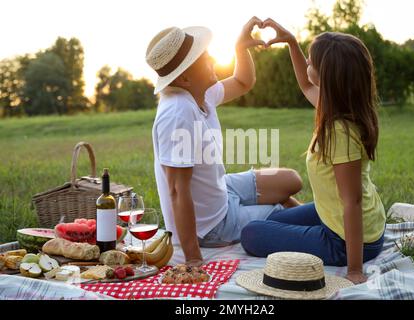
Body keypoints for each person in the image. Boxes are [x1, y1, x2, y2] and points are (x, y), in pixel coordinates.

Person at [146, 17, 303, 267]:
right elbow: (177, 191)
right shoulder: (178, 112)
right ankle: (329, 231)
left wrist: (240, 48)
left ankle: (321, 223)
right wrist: (194, 258)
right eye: (203, 57)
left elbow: (243, 82)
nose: (210, 58)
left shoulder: (201, 93)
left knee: (292, 181)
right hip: (211, 225)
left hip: (222, 190)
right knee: (285, 213)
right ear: (185, 78)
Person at [240, 18, 386, 284]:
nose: (307, 62)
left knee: (251, 233)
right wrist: (292, 43)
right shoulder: (336, 105)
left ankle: (339, 251)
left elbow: (351, 203)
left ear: (327, 75)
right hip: (329, 215)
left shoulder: (341, 132)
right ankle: (309, 229)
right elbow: (307, 86)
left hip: (344, 240)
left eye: (310, 60)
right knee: (274, 219)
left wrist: (354, 269)